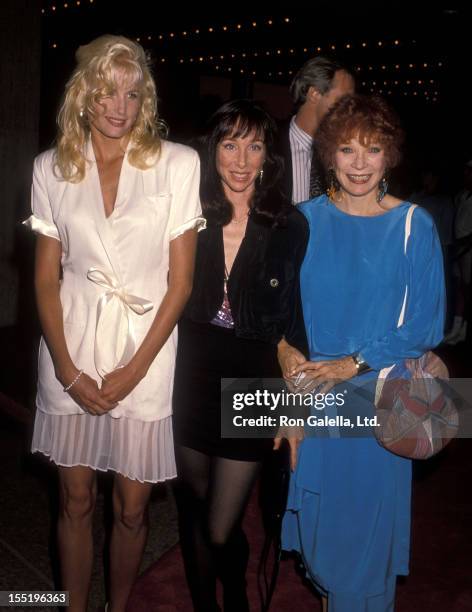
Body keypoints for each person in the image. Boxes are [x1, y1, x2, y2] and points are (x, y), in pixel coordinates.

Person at [23, 35, 204, 612]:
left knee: (131, 506)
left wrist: (132, 370)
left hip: (146, 352)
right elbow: (45, 281)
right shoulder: (49, 168)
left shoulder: (177, 163)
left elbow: (181, 283)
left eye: (132, 92)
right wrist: (70, 372)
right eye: (106, 92)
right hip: (69, 347)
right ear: (83, 96)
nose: (120, 106)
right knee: (74, 500)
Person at [278, 94, 445, 612]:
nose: (358, 163)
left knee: (363, 553)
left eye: (371, 150)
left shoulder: (415, 226)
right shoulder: (301, 221)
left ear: (389, 156)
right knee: (325, 544)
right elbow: (279, 317)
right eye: (347, 149)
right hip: (314, 400)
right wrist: (289, 374)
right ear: (328, 155)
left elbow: (426, 324)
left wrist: (351, 363)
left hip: (378, 401)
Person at [172, 99, 309, 612]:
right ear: (211, 150)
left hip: (255, 381)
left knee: (220, 524)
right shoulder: (186, 216)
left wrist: (294, 410)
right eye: (230, 144)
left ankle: (234, 592)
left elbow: (296, 324)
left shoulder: (289, 225)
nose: (242, 159)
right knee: (194, 505)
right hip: (189, 375)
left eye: (255, 145)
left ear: (268, 155)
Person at [275, 56, 355, 204]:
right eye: (345, 99)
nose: (351, 109)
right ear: (314, 94)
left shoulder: (347, 150)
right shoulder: (267, 143)